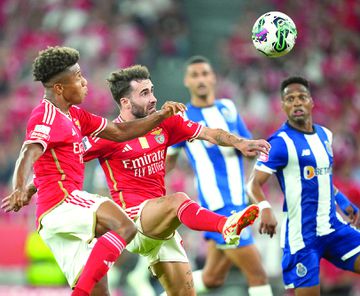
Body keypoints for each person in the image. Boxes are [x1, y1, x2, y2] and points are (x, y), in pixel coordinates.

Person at [0, 46, 187, 296]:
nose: (84, 82)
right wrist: (20, 188)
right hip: (62, 202)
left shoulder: (76, 115)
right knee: (126, 226)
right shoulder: (45, 115)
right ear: (59, 88)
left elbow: (121, 132)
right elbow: (28, 152)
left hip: (57, 218)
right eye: (77, 77)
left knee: (99, 290)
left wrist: (161, 115)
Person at [82, 64, 271, 296]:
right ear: (125, 102)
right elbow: (69, 158)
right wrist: (33, 185)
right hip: (132, 221)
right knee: (178, 199)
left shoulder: (166, 123)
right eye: (144, 94)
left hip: (160, 228)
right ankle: (225, 225)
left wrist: (239, 142)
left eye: (151, 91)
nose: (153, 98)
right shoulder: (108, 135)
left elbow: (210, 133)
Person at [166, 55, 273, 296]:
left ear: (213, 78)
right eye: (195, 75)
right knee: (258, 274)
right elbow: (168, 163)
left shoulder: (229, 107)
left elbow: (247, 148)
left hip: (239, 201)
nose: (201, 79)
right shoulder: (181, 119)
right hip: (219, 207)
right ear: (186, 81)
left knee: (213, 278)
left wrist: (251, 148)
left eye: (205, 73)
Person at [247, 76, 360, 296]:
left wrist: (344, 202)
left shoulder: (325, 135)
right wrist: (265, 209)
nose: (296, 102)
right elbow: (252, 184)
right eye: (290, 99)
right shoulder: (279, 143)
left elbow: (322, 179)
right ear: (283, 106)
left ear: (311, 102)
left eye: (301, 97)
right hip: (302, 238)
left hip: (333, 228)